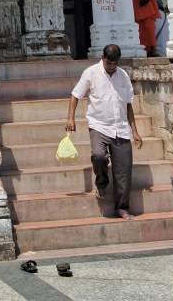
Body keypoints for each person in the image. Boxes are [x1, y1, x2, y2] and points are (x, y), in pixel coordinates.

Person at [66, 43, 143, 220]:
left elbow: (128, 105)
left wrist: (135, 131)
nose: (112, 67)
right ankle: (101, 182)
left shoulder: (123, 76)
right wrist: (70, 118)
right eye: (109, 63)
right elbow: (75, 95)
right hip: (99, 125)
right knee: (99, 156)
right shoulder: (91, 73)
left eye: (115, 64)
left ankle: (122, 209)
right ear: (103, 59)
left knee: (123, 170)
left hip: (120, 128)